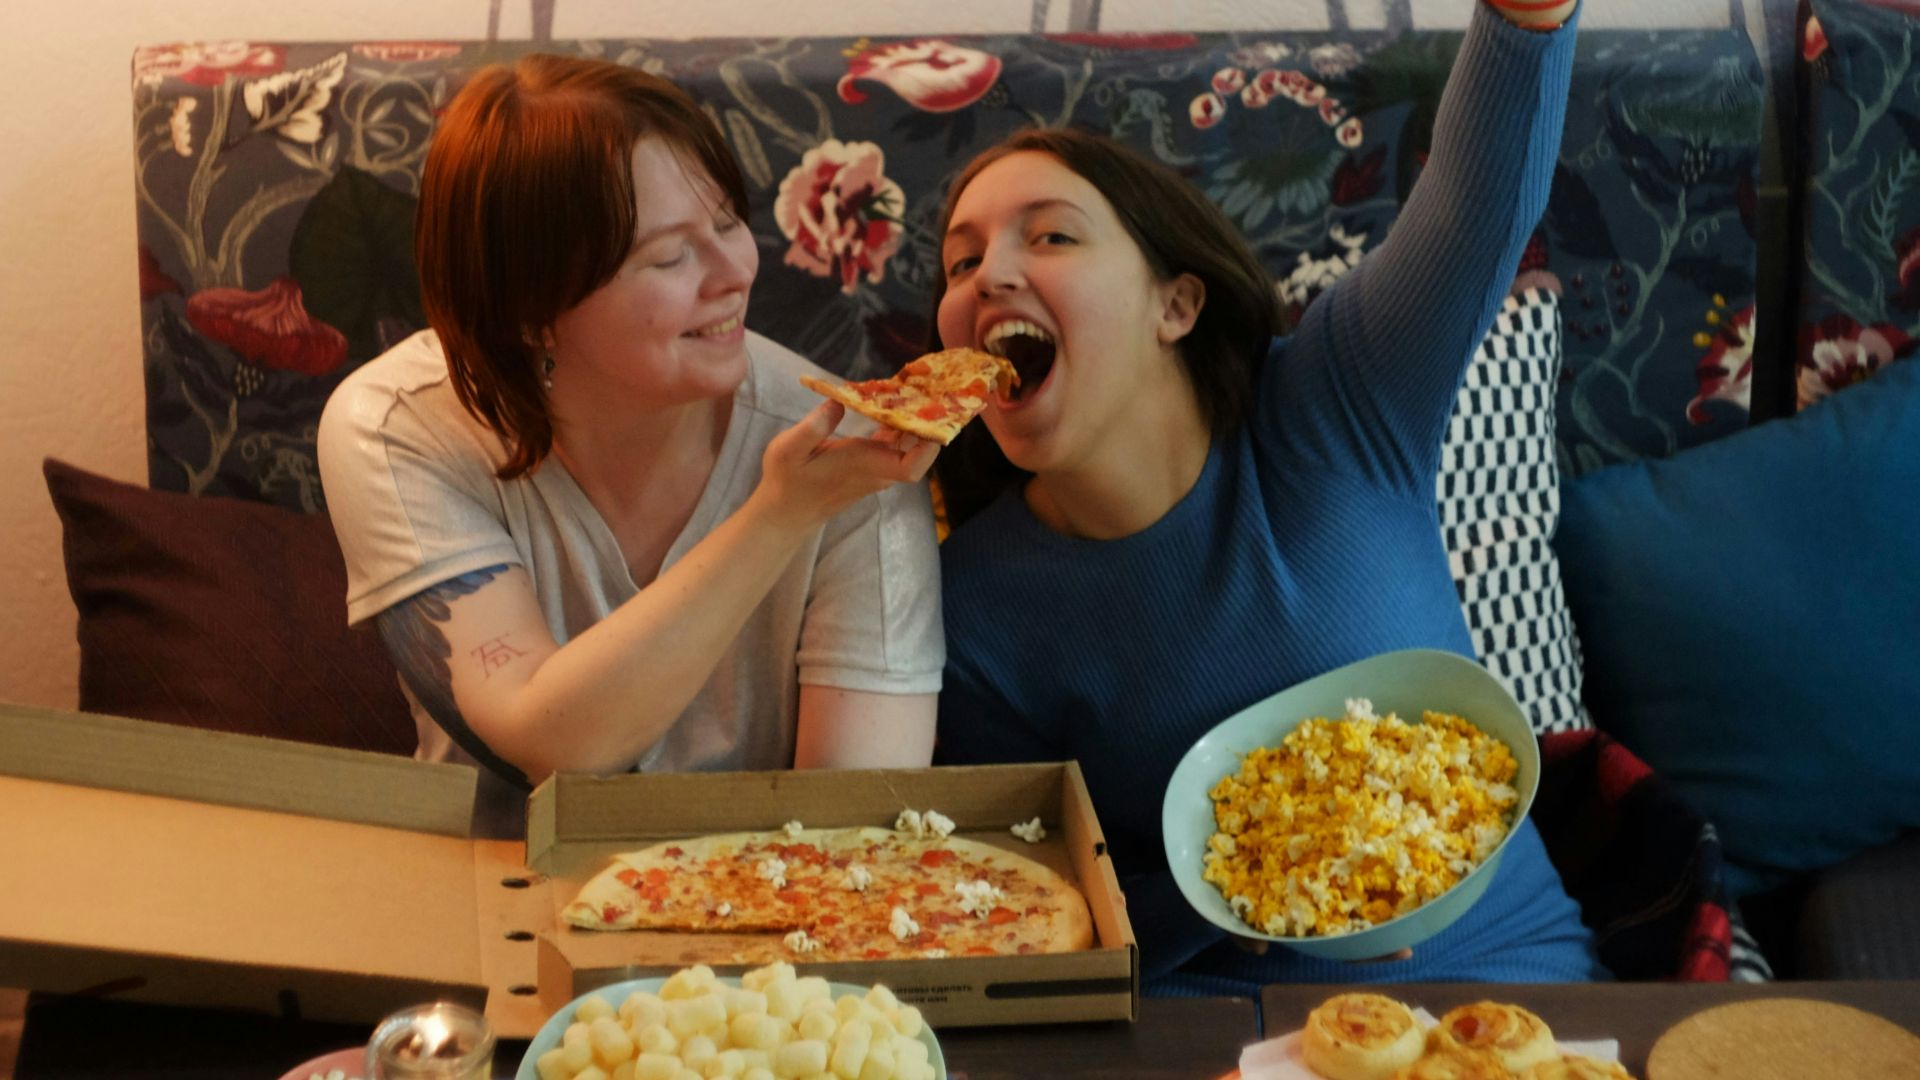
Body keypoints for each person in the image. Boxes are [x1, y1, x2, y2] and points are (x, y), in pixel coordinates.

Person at [930, 0, 1608, 992]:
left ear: (1175, 303)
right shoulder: (970, 606)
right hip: (1225, 1026)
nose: (989, 275)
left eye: (1051, 238)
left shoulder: (1340, 398)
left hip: (1511, 987)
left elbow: (1474, 209)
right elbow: (1017, 907)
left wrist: (1527, 17)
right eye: (960, 261)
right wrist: (1237, 897)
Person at [317, 55, 943, 839]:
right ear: (527, 308)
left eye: (727, 223)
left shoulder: (852, 458)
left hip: (768, 907)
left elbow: (856, 824)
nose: (735, 274)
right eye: (670, 256)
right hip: (486, 889)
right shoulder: (399, 426)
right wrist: (779, 516)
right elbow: (549, 746)